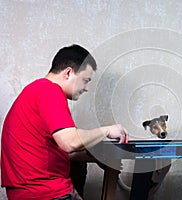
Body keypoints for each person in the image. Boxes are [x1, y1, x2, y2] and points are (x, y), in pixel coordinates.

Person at [1, 44, 129, 200]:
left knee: (78, 167)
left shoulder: (36, 90)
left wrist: (96, 156)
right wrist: (107, 130)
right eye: (85, 80)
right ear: (68, 73)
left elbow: (61, 152)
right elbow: (70, 142)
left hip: (27, 191)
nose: (86, 88)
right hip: (45, 192)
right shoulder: (50, 91)